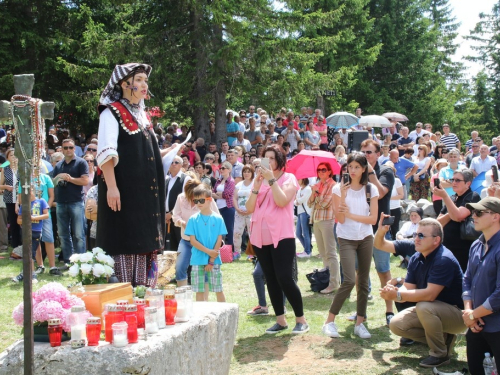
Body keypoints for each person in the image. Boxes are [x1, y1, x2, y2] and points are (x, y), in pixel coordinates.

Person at [96, 63, 165, 287]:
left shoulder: (142, 115)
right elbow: (106, 152)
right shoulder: (111, 111)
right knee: (127, 240)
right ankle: (127, 295)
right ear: (125, 84)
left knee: (144, 241)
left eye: (146, 80)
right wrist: (112, 187)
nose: (145, 85)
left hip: (144, 198)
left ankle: (145, 294)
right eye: (140, 80)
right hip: (124, 192)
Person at [377, 216, 465, 368]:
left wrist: (397, 295)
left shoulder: (443, 259)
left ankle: (440, 354)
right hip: (434, 311)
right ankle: (444, 338)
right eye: (415, 234)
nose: (416, 239)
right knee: (397, 325)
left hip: (459, 314)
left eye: (421, 236)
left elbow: (429, 295)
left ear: (436, 240)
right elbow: (408, 289)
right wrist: (394, 291)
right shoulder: (417, 257)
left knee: (424, 306)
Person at [246, 144, 309, 334]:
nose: (268, 161)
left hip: (281, 235)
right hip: (260, 236)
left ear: (280, 160)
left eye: (272, 158)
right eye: (266, 158)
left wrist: (272, 180)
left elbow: (282, 201)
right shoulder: (259, 180)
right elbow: (249, 208)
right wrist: (256, 187)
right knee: (270, 279)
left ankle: (301, 319)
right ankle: (280, 320)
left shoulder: (289, 178)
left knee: (284, 278)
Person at [322, 152, 379, 340]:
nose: (352, 170)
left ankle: (360, 323)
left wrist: (353, 215)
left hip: (365, 237)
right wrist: (344, 194)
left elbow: (373, 219)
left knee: (363, 281)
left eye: (356, 167)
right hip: (346, 237)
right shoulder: (338, 189)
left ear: (364, 169)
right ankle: (329, 321)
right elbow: (340, 219)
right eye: (350, 167)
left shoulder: (371, 189)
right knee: (349, 280)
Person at [462, 196, 500, 375]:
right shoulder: (476, 245)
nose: (473, 216)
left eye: (478, 212)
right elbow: (467, 279)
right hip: (476, 324)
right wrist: (469, 312)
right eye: (472, 212)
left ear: (495, 216)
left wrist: (473, 315)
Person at [360, 139, 396, 325]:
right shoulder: (357, 172)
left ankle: (389, 312)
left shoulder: (386, 171)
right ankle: (361, 313)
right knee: (360, 273)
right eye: (363, 152)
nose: (366, 156)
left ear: (377, 154)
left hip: (380, 229)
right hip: (361, 229)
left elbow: (381, 193)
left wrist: (370, 172)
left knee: (383, 271)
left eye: (369, 152)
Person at [172, 179, 219, 287]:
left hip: (203, 242)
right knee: (179, 267)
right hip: (186, 240)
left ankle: (204, 298)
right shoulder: (181, 198)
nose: (193, 199)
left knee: (205, 269)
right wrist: (182, 223)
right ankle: (182, 293)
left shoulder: (206, 199)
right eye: (191, 197)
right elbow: (176, 215)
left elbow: (217, 217)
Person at [184, 184, 226, 302]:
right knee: (199, 290)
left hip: (215, 260)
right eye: (196, 200)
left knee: (218, 289)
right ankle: (200, 316)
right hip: (197, 259)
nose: (198, 203)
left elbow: (219, 240)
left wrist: (211, 260)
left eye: (202, 200)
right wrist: (209, 252)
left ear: (210, 200)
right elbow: (192, 241)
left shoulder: (218, 218)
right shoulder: (193, 219)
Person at [434, 169, 480, 272]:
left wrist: (445, 197)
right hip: (447, 247)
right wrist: (452, 210)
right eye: (452, 179)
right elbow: (438, 223)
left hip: (463, 248)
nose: (454, 183)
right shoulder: (452, 198)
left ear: (468, 183)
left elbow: (458, 216)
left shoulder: (473, 196)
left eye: (458, 180)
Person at [53, 139, 89, 268]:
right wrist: (58, 178)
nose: (68, 150)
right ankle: (68, 262)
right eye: (65, 147)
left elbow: (85, 181)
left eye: (70, 147)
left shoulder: (81, 162)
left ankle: (81, 263)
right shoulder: (59, 165)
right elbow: (52, 183)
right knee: (63, 234)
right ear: (62, 149)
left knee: (79, 234)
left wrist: (70, 179)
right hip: (61, 203)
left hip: (76, 202)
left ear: (75, 148)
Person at [307, 162, 340, 294]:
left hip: (327, 221)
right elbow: (310, 203)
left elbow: (325, 204)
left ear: (329, 172)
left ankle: (334, 283)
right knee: (323, 253)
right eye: (319, 170)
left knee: (331, 253)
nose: (321, 172)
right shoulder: (317, 185)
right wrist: (314, 193)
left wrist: (316, 193)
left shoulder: (333, 186)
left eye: (324, 170)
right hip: (316, 220)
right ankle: (327, 280)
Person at [11, 187, 49, 284]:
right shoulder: (24, 205)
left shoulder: (41, 201)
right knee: (27, 253)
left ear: (33, 191)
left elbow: (46, 215)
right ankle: (28, 274)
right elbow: (18, 220)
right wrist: (27, 220)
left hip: (36, 231)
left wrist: (33, 218)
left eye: (30, 190)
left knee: (30, 253)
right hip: (25, 232)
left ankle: (29, 275)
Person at [212, 161, 236, 259]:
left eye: (224, 168)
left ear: (229, 170)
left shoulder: (231, 181)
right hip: (218, 208)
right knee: (218, 230)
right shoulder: (218, 180)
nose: (221, 170)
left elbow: (227, 194)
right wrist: (219, 195)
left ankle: (229, 252)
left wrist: (217, 195)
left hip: (228, 208)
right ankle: (218, 250)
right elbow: (212, 192)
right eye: (221, 168)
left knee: (229, 230)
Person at [0, 148, 21, 248]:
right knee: (13, 222)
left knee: (21, 221)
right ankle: (15, 245)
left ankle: (23, 244)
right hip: (9, 199)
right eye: (11, 155)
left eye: (15, 155)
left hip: (21, 199)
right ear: (7, 158)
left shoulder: (22, 168)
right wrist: (5, 187)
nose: (14, 158)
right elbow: (0, 185)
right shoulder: (5, 168)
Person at [232, 165, 254, 257]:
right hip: (239, 213)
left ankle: (252, 253)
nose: (246, 173)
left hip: (251, 212)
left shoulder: (255, 184)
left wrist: (250, 209)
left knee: (252, 233)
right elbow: (234, 198)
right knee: (237, 232)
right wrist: (237, 208)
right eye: (245, 171)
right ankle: (237, 251)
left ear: (252, 173)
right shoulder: (239, 184)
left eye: (249, 171)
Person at [295, 178, 312, 258]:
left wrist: (297, 201)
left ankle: (307, 251)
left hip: (305, 212)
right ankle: (308, 248)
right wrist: (297, 201)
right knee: (298, 233)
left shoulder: (308, 189)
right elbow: (295, 202)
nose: (298, 180)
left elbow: (300, 201)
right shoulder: (299, 190)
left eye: (299, 179)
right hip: (300, 213)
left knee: (305, 233)